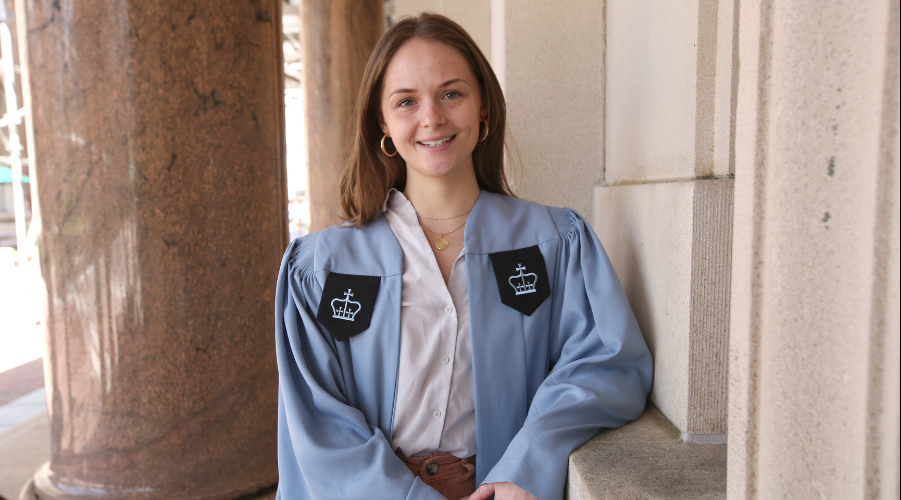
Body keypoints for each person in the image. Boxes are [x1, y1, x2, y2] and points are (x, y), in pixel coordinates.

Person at [274, 13, 653, 500]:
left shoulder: (553, 242)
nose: (431, 117)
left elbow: (607, 361)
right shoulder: (324, 267)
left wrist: (531, 458)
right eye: (406, 101)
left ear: (484, 110)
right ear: (383, 124)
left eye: (451, 93)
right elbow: (315, 414)